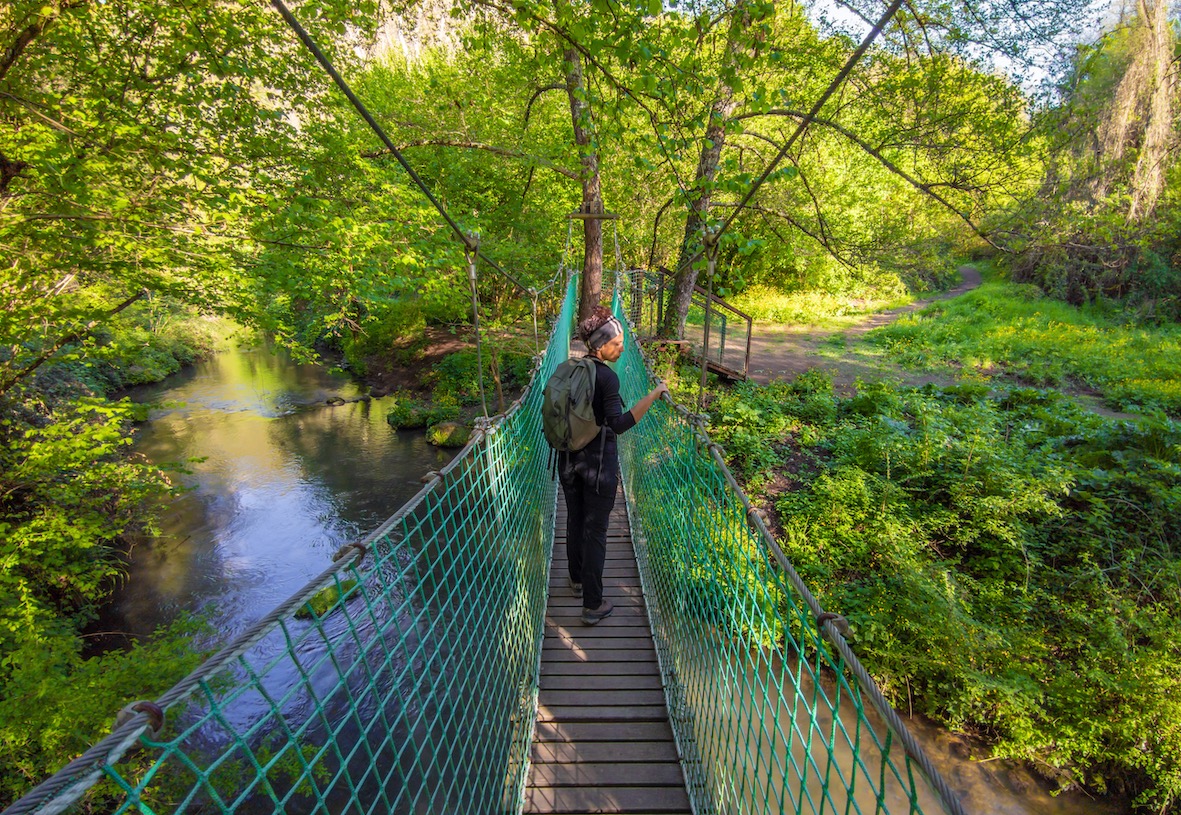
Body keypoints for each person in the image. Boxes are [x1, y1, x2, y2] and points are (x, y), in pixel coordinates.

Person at [559, 306, 668, 625]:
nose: (622, 348)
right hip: (597, 468)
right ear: (600, 345)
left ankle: (576, 579)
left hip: (568, 462)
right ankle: (592, 605)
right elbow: (618, 424)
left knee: (575, 521)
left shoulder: (570, 368)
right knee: (595, 533)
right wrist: (654, 395)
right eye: (618, 343)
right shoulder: (606, 377)